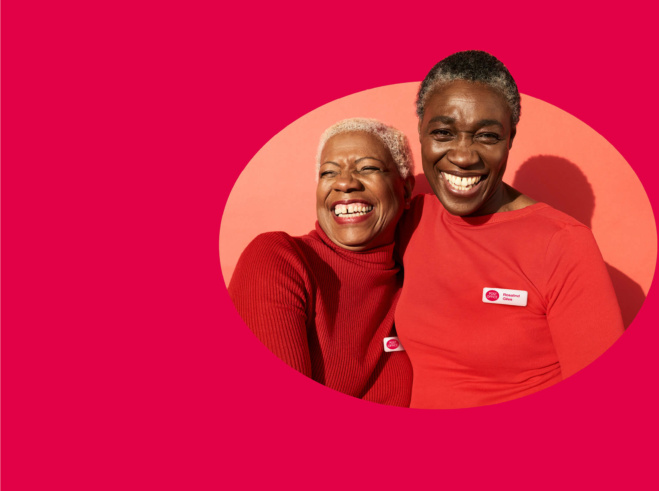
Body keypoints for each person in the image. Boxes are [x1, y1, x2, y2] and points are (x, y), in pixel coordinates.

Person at [395, 51, 624, 409]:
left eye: (487, 136)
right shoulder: (413, 217)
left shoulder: (562, 243)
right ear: (421, 132)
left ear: (510, 139)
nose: (464, 155)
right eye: (443, 132)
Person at [229, 118, 415, 407]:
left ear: (405, 191)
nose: (345, 183)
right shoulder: (280, 259)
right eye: (329, 172)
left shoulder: (418, 279)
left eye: (366, 168)